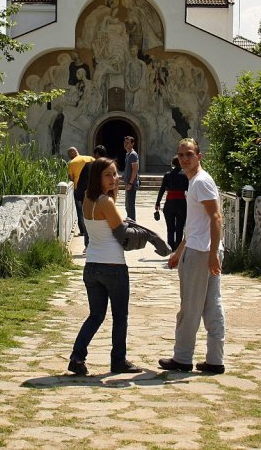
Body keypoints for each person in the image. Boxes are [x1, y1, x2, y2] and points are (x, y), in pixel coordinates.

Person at [67, 157, 143, 376]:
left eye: (115, 174)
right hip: (113, 266)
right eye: (108, 175)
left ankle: (77, 356)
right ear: (97, 177)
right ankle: (118, 360)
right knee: (120, 316)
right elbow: (121, 232)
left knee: (95, 315)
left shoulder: (87, 198)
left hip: (92, 266)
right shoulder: (106, 202)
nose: (114, 179)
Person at [159, 137, 226, 375]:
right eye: (181, 155)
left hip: (201, 252)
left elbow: (216, 218)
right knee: (211, 305)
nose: (184, 159)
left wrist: (212, 253)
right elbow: (195, 225)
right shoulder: (196, 181)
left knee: (190, 307)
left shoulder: (200, 182)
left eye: (189, 154)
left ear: (199, 156)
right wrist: (179, 251)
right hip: (200, 248)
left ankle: (182, 357)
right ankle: (215, 359)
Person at [73, 145, 107, 249]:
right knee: (101, 222)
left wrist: (80, 197)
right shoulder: (108, 166)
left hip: (89, 198)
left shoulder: (89, 165)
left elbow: (81, 182)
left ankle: (88, 245)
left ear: (96, 154)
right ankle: (100, 243)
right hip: (102, 198)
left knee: (88, 221)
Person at [155, 156, 189, 250]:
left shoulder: (167, 175)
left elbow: (162, 189)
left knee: (170, 229)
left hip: (169, 203)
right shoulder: (185, 175)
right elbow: (189, 190)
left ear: (172, 164)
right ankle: (178, 249)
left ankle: (170, 248)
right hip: (181, 203)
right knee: (179, 228)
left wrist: (158, 202)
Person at [67, 147, 94, 241]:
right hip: (91, 188)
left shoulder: (72, 163)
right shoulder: (90, 158)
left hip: (78, 190)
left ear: (72, 154)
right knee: (91, 211)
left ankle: (83, 230)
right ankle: (91, 231)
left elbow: (71, 178)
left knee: (80, 211)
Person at [122, 135, 140, 219]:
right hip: (128, 183)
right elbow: (128, 169)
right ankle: (130, 220)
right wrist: (123, 176)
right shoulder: (127, 154)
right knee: (127, 205)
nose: (125, 144)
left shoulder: (133, 155)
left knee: (130, 205)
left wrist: (130, 183)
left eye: (127, 143)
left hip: (131, 184)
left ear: (132, 144)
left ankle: (132, 222)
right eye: (125, 142)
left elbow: (135, 169)